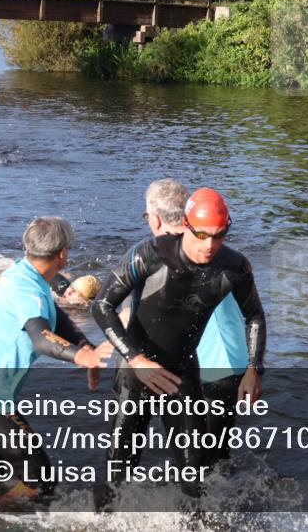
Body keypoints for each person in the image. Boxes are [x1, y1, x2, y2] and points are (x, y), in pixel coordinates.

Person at [92, 188, 266, 499]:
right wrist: (135, 359)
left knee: (195, 474)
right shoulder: (149, 254)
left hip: (182, 374)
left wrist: (254, 369)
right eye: (201, 234)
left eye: (219, 235)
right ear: (185, 224)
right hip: (136, 373)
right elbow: (102, 306)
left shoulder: (235, 267)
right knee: (118, 470)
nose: (209, 244)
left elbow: (254, 316)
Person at [0, 217, 113, 499]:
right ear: (63, 253)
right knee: (40, 484)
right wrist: (81, 358)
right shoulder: (28, 291)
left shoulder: (22, 274)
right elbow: (41, 338)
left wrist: (84, 345)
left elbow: (55, 315)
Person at [120, 179, 254, 466]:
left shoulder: (165, 254)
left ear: (154, 219)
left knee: (196, 464)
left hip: (203, 365)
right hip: (229, 364)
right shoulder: (212, 247)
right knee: (212, 463)